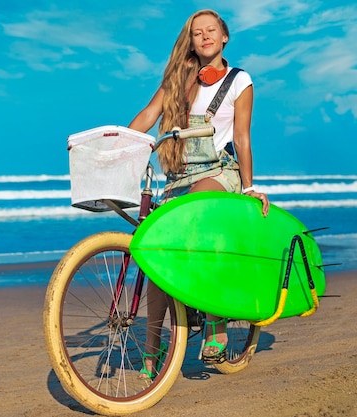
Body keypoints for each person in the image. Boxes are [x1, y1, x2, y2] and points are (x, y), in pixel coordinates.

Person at [127, 9, 270, 378]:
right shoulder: (180, 79)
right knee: (155, 249)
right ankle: (153, 347)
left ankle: (215, 321)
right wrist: (119, 145)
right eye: (196, 33)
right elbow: (147, 116)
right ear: (190, 41)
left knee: (193, 212)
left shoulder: (241, 81)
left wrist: (251, 186)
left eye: (211, 30)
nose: (204, 36)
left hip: (219, 173)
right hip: (180, 178)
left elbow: (241, 137)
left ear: (224, 37)